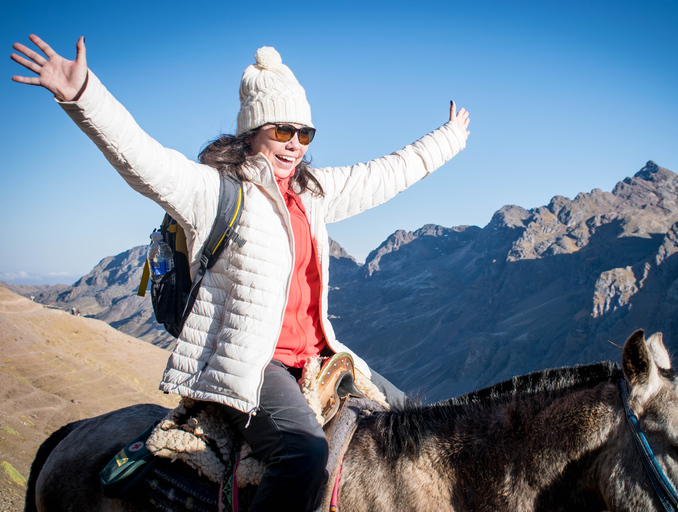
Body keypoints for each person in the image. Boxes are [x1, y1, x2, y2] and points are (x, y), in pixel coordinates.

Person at [11, 34, 470, 511]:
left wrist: (450, 138)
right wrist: (83, 95)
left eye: (305, 134)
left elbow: (385, 173)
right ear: (253, 130)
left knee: (424, 421)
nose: (294, 145)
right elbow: (142, 158)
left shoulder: (313, 193)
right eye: (282, 131)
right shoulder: (215, 192)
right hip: (253, 367)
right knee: (304, 453)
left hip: (318, 358)